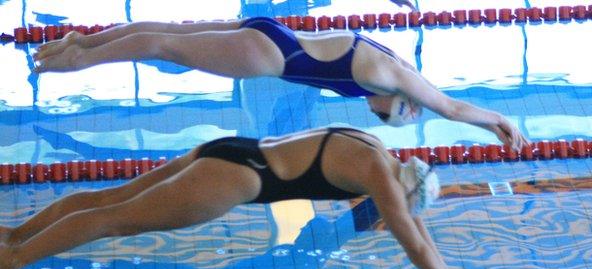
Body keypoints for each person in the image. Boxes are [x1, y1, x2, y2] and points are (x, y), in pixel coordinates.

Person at [0, 127, 481, 269]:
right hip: (237, 179)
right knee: (114, 221)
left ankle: (16, 235)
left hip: (230, 149)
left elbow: (419, 237)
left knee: (111, 199)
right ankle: (13, 258)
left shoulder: (375, 148)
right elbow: (413, 244)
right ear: (401, 194)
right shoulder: (381, 180)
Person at [33, 17, 528, 150]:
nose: (401, 114)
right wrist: (498, 120)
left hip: (275, 33)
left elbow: (433, 103)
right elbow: (449, 108)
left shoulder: (388, 68)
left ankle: (84, 42)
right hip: (271, 55)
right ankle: (79, 58)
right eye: (397, 114)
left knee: (170, 34)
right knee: (165, 46)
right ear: (394, 100)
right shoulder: (390, 75)